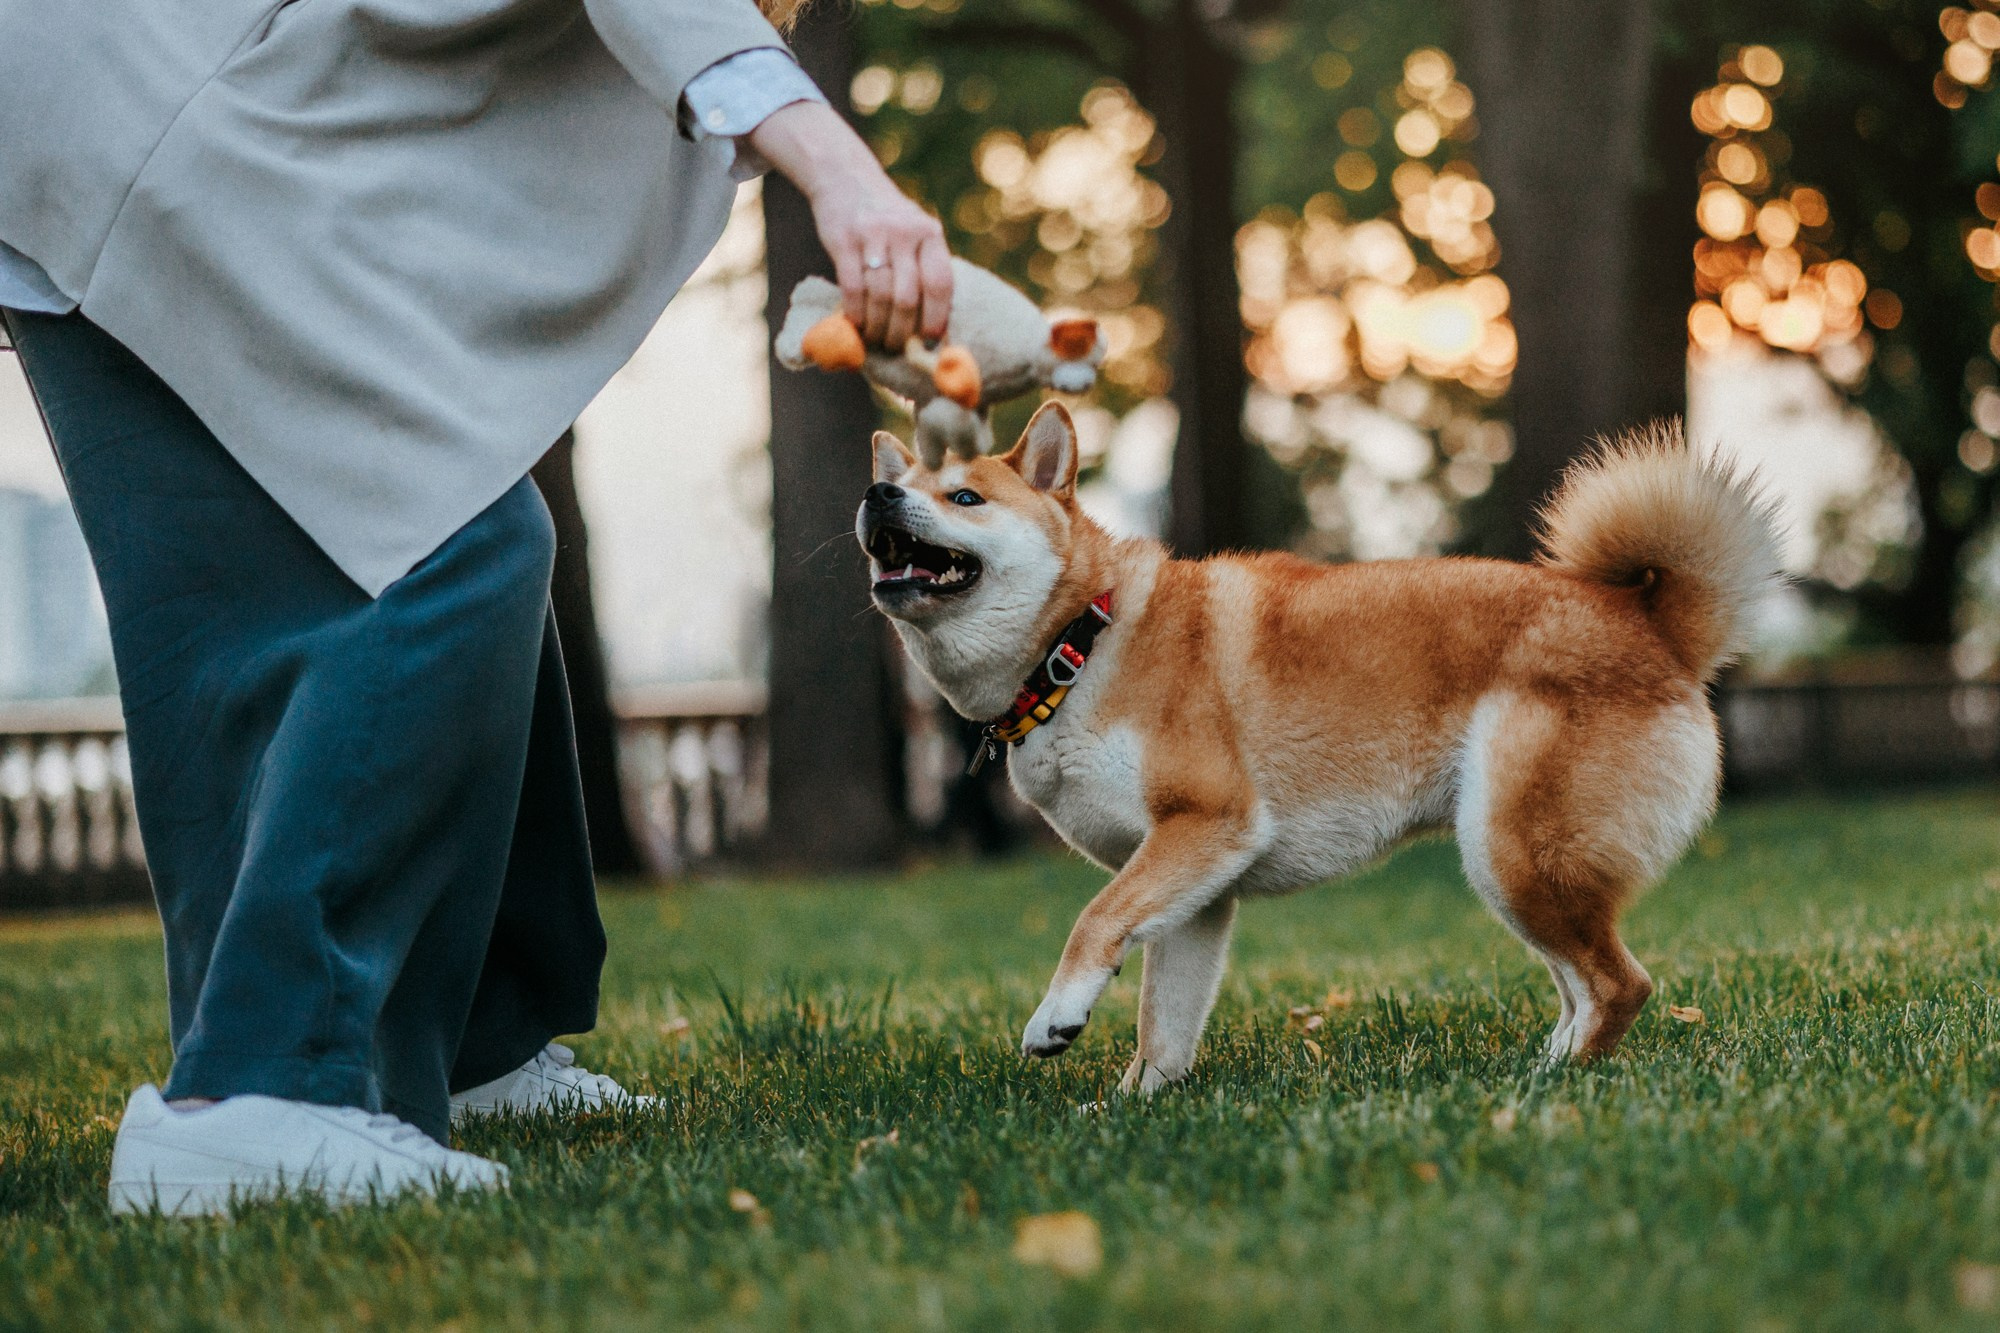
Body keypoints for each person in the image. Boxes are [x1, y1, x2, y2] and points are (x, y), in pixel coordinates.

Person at [0, 0, 950, 1216]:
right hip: (150, 118)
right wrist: (840, 169)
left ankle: (473, 1047)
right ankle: (264, 1091)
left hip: (107, 119)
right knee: (442, 546)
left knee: (313, 579)